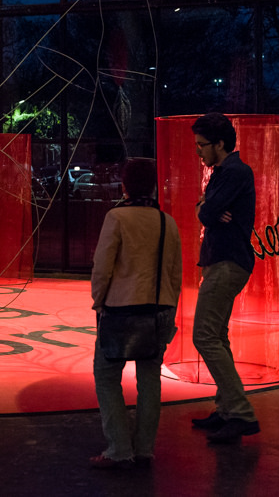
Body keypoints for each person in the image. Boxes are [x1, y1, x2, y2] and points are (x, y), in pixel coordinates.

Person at [90, 158, 183, 469]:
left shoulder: (116, 217)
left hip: (120, 310)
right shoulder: (166, 222)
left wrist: (98, 302)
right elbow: (175, 273)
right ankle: (144, 448)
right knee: (149, 379)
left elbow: (102, 268)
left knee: (106, 377)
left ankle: (119, 448)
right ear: (155, 186)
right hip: (159, 309)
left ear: (124, 186)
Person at [190, 112, 260, 444]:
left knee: (204, 336)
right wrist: (209, 207)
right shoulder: (225, 172)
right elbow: (206, 209)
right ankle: (227, 410)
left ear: (220, 144)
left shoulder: (234, 172)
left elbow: (205, 211)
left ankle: (241, 413)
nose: (199, 152)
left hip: (228, 262)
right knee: (217, 336)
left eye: (202, 145)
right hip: (225, 261)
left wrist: (208, 207)